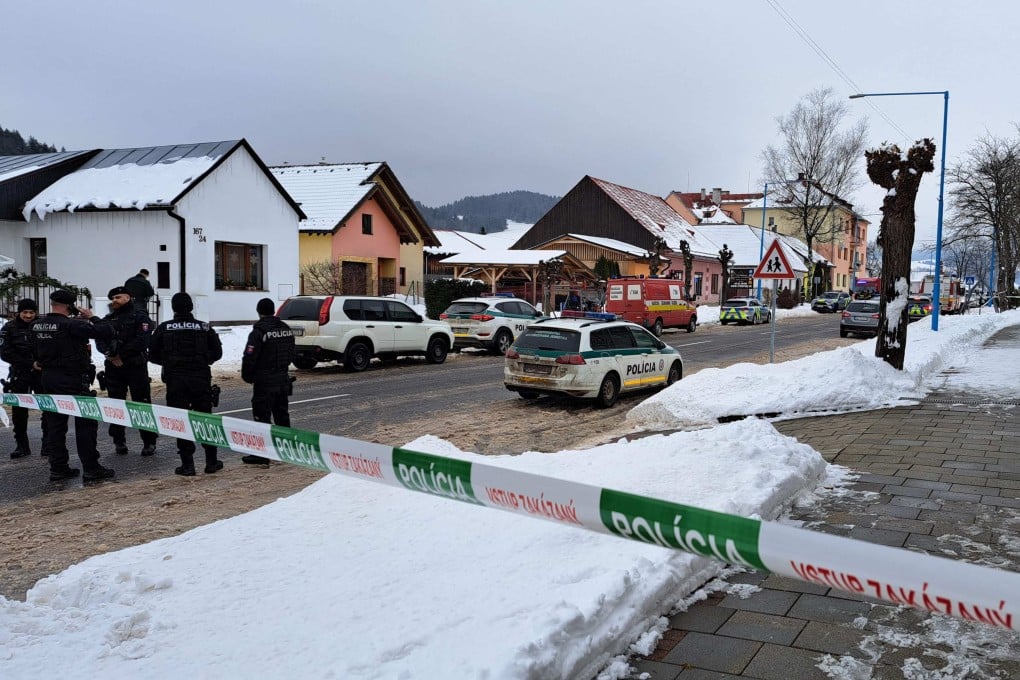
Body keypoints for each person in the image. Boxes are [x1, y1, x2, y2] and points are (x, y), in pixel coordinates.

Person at [32, 289, 117, 482]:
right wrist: (92, 317)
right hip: (72, 379)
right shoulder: (72, 325)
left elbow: (32, 349)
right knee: (86, 422)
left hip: (48, 378)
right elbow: (107, 331)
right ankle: (91, 468)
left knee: (55, 424)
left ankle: (58, 468)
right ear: (69, 306)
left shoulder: (36, 325)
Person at [148, 292, 223, 476]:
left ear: (173, 308)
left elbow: (152, 354)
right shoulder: (204, 327)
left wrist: (170, 362)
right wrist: (203, 360)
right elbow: (217, 352)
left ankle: (187, 465)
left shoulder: (164, 328)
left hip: (176, 381)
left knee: (180, 421)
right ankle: (211, 462)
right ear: (191, 307)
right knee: (205, 420)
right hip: (200, 379)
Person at [97, 286, 158, 456]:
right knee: (116, 405)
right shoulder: (108, 319)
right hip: (114, 368)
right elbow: (100, 340)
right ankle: (119, 441)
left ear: (128, 297)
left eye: (118, 297)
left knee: (141, 404)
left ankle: (149, 441)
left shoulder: (140, 317)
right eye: (113, 298)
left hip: (135, 367)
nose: (114, 301)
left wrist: (120, 355)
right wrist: (110, 355)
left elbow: (143, 341)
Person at [240, 297, 296, 465]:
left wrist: (248, 377)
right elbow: (291, 352)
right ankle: (286, 450)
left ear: (259, 312)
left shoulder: (259, 332)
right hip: (282, 379)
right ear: (273, 311)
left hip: (265, 382)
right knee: (282, 416)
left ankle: (262, 455)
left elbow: (249, 357)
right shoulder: (285, 328)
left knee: (262, 418)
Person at [0, 298, 47, 458]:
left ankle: (47, 444)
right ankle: (22, 446)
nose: (28, 315)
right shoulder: (9, 328)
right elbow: (5, 353)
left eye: (31, 312)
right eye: (25, 312)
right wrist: (29, 363)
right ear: (19, 312)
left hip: (42, 373)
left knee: (48, 408)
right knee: (19, 411)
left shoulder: (43, 326)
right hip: (20, 374)